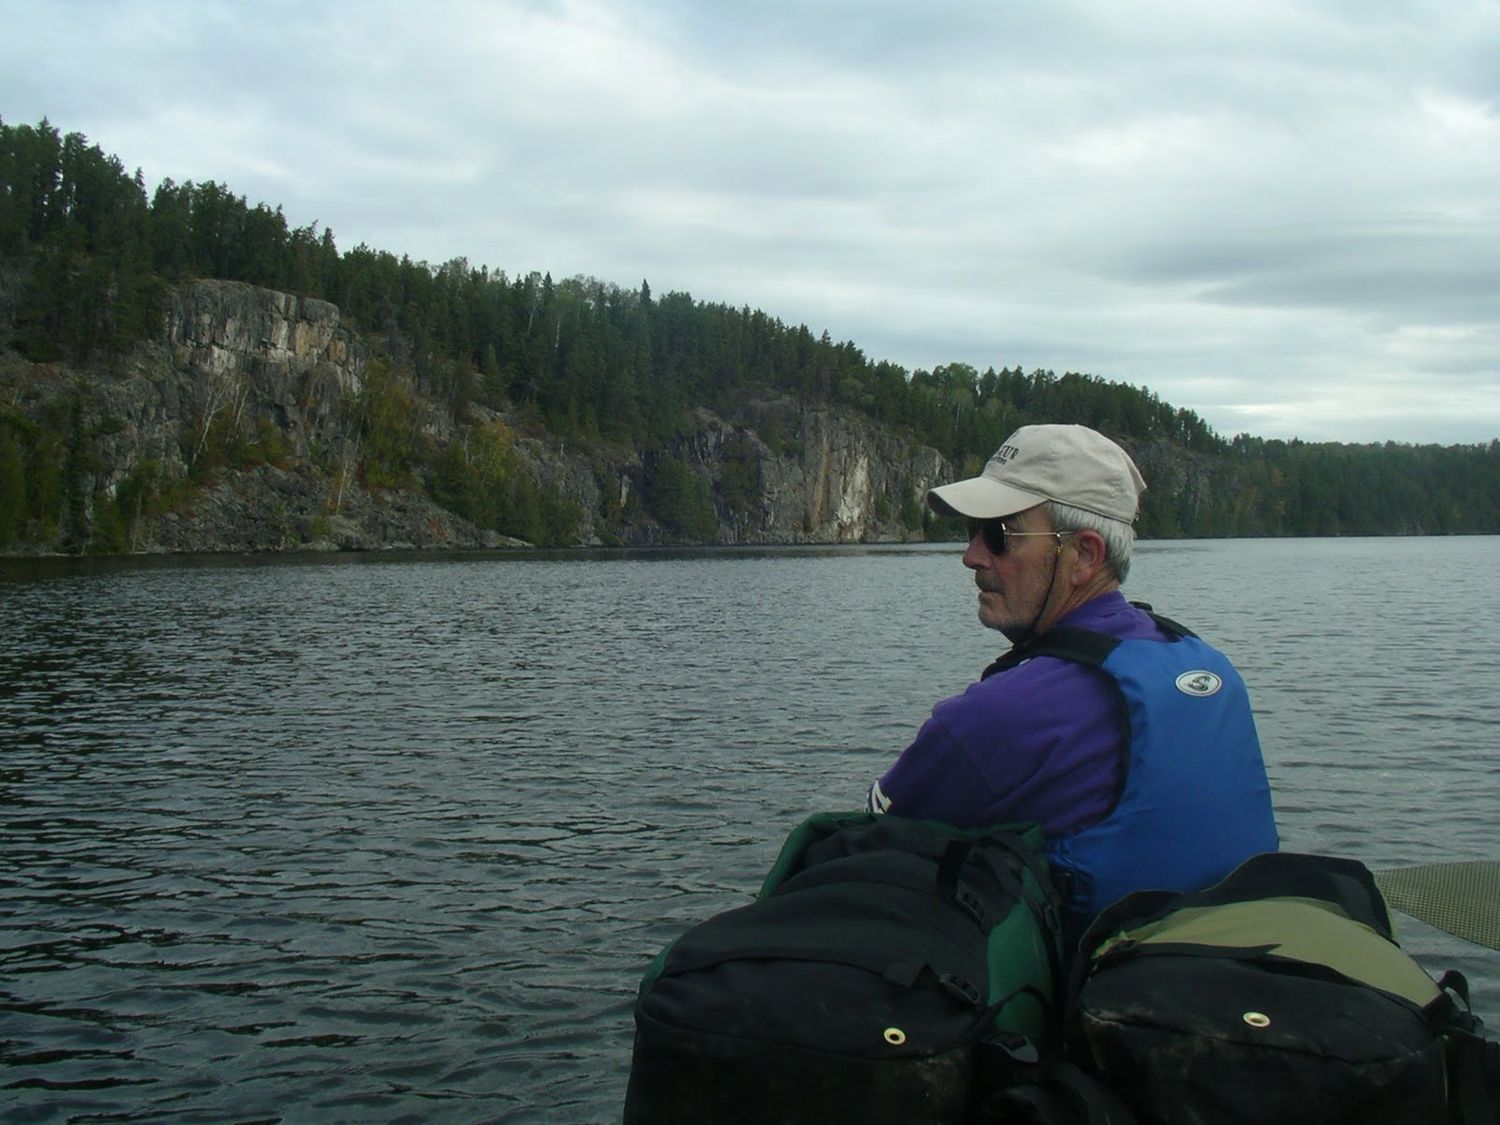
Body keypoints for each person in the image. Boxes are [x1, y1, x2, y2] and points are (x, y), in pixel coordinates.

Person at [867, 423, 1278, 939]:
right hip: (1236, 955)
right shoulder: (1209, 669)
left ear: (1084, 555)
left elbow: (863, 850)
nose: (972, 555)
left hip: (1096, 982)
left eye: (999, 535)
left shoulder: (997, 716)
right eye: (972, 530)